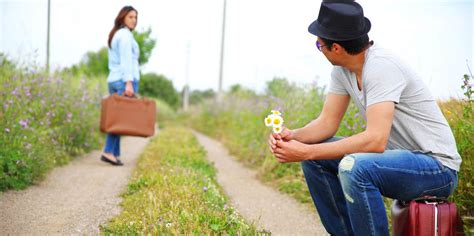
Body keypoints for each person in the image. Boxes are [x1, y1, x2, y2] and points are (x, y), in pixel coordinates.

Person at [268, 1, 461, 235]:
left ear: (336, 48)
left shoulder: (381, 67)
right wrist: (294, 137)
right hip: (399, 161)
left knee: (354, 167)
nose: (319, 48)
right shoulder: (341, 71)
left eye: (319, 45)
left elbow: (375, 141)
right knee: (315, 156)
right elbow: (327, 123)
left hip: (436, 168)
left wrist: (306, 151)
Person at [101, 6, 140, 166]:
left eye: (136, 17)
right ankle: (108, 151)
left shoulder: (118, 34)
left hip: (115, 80)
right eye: (130, 16)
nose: (134, 20)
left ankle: (114, 153)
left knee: (118, 118)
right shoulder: (124, 36)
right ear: (123, 17)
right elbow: (126, 61)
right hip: (123, 81)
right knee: (119, 119)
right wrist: (129, 83)